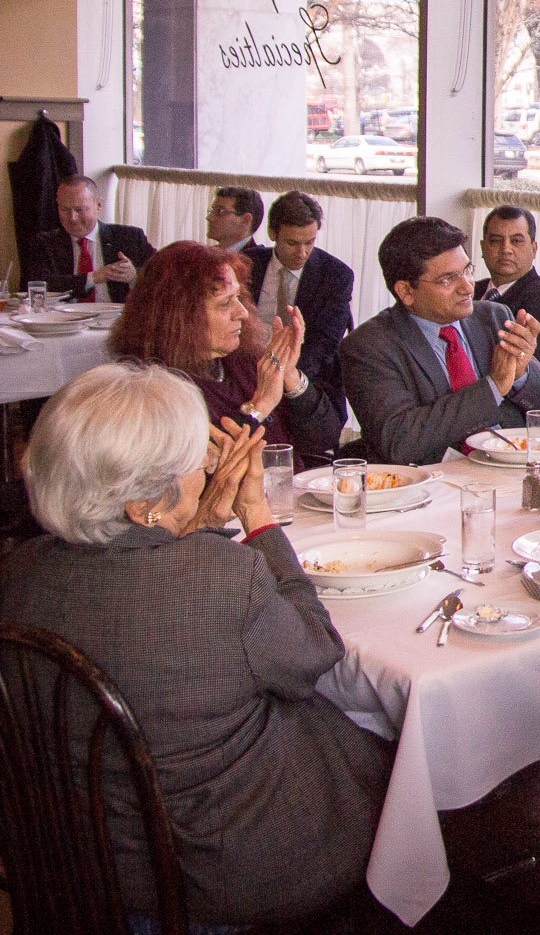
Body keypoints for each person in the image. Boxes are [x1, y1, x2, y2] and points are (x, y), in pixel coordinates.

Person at [0, 362, 391, 927]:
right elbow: (314, 655)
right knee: (375, 733)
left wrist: (199, 526)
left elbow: (146, 595)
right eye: (193, 460)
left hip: (75, 854)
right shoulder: (220, 576)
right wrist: (255, 513)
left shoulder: (19, 572)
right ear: (142, 505)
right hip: (209, 873)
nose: (208, 465)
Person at [341, 216, 540, 466]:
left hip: (510, 472)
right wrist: (493, 387)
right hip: (432, 488)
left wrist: (522, 374)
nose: (468, 287)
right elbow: (400, 440)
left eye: (467, 271)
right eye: (448, 279)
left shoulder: (493, 316)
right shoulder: (369, 345)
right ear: (406, 291)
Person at [110, 242, 341, 468]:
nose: (241, 312)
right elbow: (199, 471)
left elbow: (325, 438)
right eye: (224, 303)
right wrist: (258, 406)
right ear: (180, 315)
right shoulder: (149, 388)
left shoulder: (245, 359)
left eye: (238, 297)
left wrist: (290, 376)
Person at [247, 190, 355, 418]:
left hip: (307, 379)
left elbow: (324, 343)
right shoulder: (248, 265)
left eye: (310, 242)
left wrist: (285, 377)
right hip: (248, 375)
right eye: (293, 243)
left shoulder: (335, 275)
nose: (302, 252)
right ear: (272, 233)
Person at [23, 174, 155, 304]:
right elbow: (35, 285)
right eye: (65, 210)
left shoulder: (129, 238)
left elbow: (163, 276)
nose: (72, 217)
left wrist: (134, 277)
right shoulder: (44, 243)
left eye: (80, 210)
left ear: (98, 205)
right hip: (64, 320)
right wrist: (93, 277)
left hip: (118, 320)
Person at [475, 205, 540, 379]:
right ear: (483, 247)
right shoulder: (470, 291)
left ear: (534, 249)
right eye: (495, 240)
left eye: (516, 241)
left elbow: (536, 372)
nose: (506, 249)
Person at [205, 185, 263, 252]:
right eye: (212, 211)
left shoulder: (259, 260)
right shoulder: (204, 256)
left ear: (245, 220)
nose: (209, 218)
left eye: (220, 211)